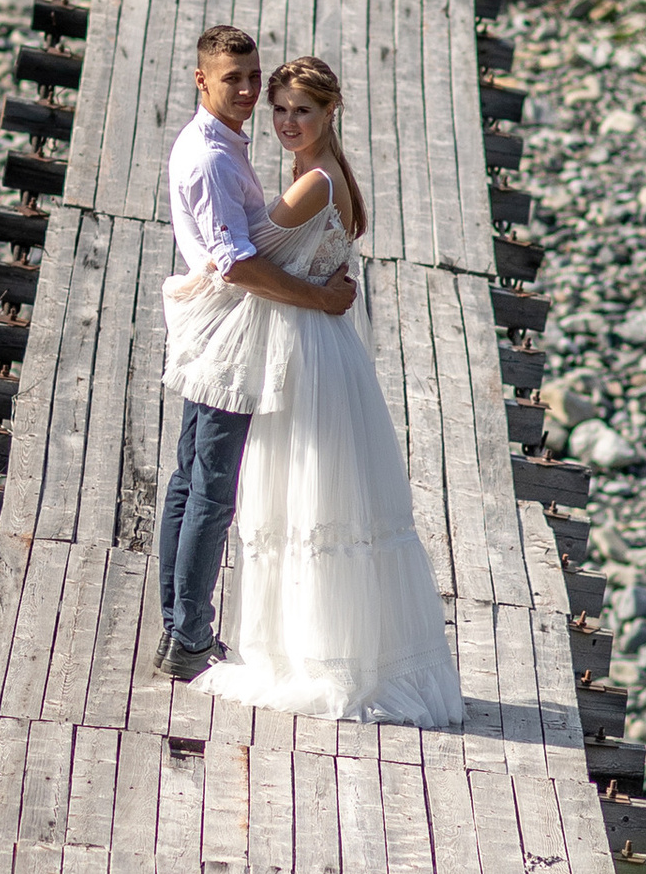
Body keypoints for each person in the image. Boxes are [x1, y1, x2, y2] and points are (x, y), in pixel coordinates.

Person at [196, 55, 466, 727]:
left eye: (301, 111)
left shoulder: (315, 181)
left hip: (310, 349)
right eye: (279, 109)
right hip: (319, 340)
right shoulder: (318, 173)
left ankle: (319, 659)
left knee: (306, 496)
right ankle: (317, 648)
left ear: (329, 112)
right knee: (306, 496)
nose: (287, 121)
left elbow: (247, 250)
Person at [157, 24, 359, 684]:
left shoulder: (237, 149)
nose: (249, 92)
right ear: (202, 80)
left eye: (254, 79)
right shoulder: (214, 158)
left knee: (194, 484)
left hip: (235, 331)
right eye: (234, 80)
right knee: (206, 490)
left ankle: (180, 630)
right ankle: (186, 635)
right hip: (230, 334)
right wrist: (320, 297)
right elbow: (238, 264)